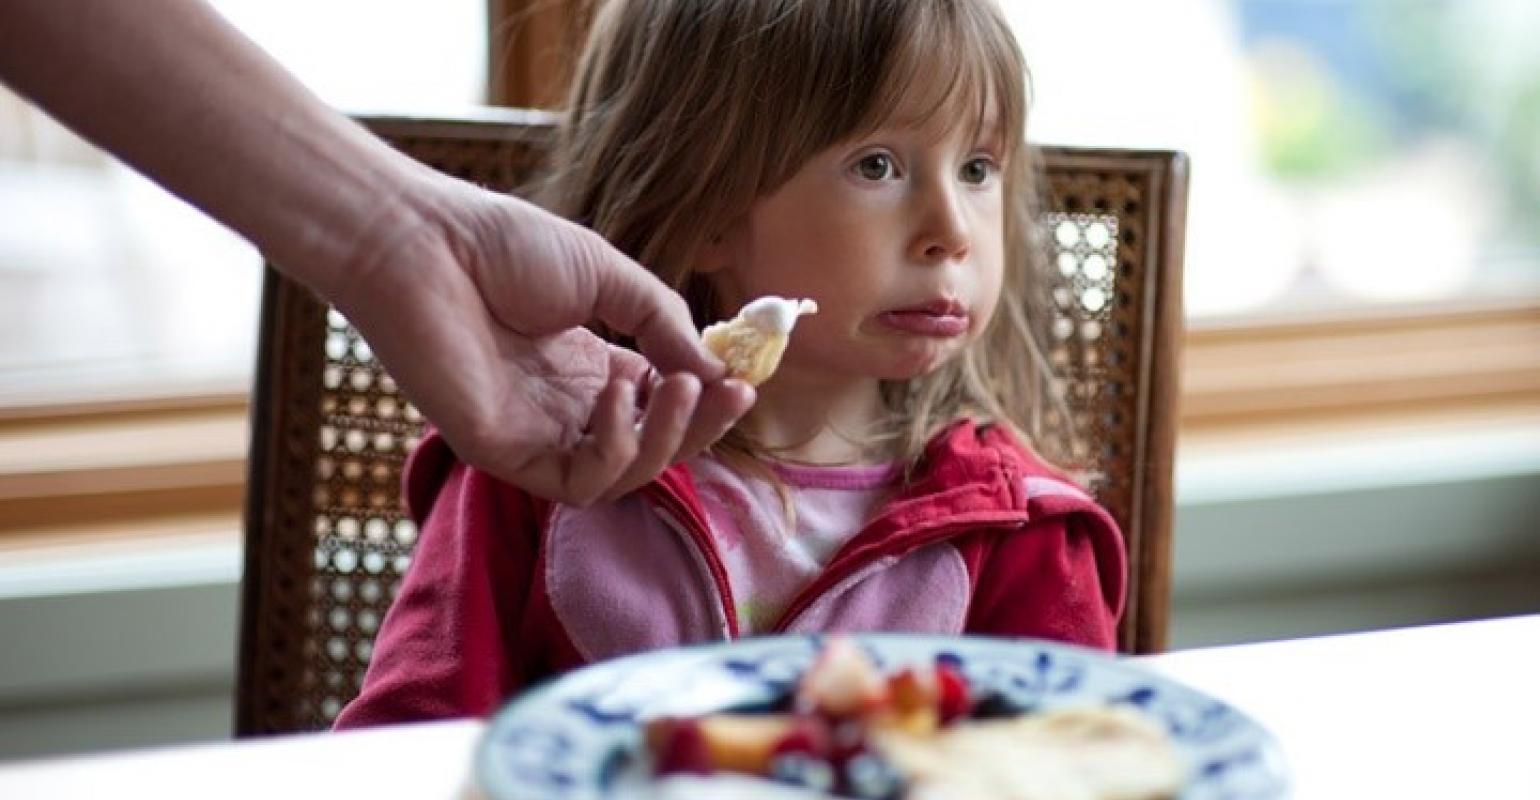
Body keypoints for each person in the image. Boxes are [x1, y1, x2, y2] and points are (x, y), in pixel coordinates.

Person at [335, 0, 1127, 729]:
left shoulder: (1024, 534)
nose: (951, 230)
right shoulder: (538, 472)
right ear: (707, 208)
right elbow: (413, 748)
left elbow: (1075, 768)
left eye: (978, 168)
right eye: (878, 165)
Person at [0, 0, 753, 505]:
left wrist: (398, 238)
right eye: (870, 167)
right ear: (710, 215)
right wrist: (396, 238)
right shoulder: (529, 497)